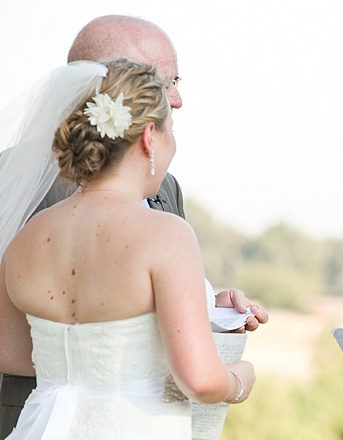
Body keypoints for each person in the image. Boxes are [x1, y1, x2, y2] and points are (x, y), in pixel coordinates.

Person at [0, 15, 268, 437]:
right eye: (169, 125)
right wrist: (239, 378)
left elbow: (10, 349)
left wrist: (204, 308)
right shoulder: (165, 233)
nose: (177, 101)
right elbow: (198, 379)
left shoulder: (27, 240)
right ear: (148, 137)